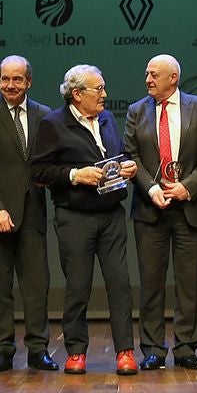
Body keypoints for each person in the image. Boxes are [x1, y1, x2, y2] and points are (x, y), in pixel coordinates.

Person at [30, 64, 139, 375]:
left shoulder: (105, 118)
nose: (104, 95)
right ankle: (76, 351)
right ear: (77, 95)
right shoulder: (53, 123)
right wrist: (75, 175)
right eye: (98, 89)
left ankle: (125, 351)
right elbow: (39, 171)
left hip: (111, 215)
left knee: (120, 284)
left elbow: (116, 154)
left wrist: (127, 166)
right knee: (78, 287)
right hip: (75, 217)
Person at [124, 54, 197, 370]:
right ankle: (153, 348)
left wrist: (188, 187)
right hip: (150, 209)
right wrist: (151, 189)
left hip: (190, 207)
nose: (148, 80)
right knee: (151, 282)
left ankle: (186, 348)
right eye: (146, 73)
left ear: (174, 78)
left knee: (189, 283)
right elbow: (131, 156)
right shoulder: (136, 111)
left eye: (154, 74)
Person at [0, 55, 58, 372]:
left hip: (32, 213)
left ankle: (38, 349)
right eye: (5, 79)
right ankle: (3, 350)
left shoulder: (45, 115)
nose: (10, 85)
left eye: (17, 79)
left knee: (36, 286)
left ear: (28, 82)